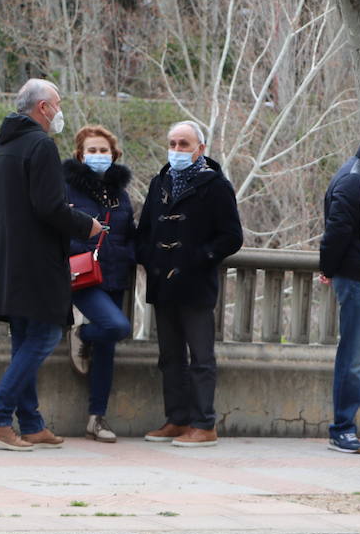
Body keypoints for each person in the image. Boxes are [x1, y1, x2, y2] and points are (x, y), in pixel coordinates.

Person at [0, 79, 100, 450]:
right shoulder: (41, 145)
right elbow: (48, 207)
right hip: (37, 262)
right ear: (43, 108)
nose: (60, 111)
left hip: (7, 259)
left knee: (24, 341)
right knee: (46, 335)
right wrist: (85, 224)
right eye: (57, 104)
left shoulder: (1, 148)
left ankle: (30, 423)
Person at [136, 121, 243, 447]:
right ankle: (177, 419)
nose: (177, 150)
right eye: (173, 143)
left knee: (200, 357)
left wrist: (199, 257)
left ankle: (203, 424)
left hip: (196, 285)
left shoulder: (216, 186)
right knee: (169, 357)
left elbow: (232, 237)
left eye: (184, 144)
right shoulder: (159, 183)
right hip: (162, 284)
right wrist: (150, 258)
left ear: (200, 149)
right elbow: (144, 231)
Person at [64, 125, 137, 444]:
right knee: (117, 326)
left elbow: (129, 232)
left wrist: (131, 253)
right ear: (80, 155)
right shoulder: (67, 188)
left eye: (103, 150)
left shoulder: (120, 194)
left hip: (115, 274)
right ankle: (81, 333)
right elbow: (60, 227)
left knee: (108, 348)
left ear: (114, 154)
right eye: (91, 151)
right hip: (82, 276)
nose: (98, 156)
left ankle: (97, 417)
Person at [319, 146, 360, 454]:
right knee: (354, 357)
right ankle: (342, 427)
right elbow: (336, 230)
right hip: (356, 277)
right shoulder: (353, 180)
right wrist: (329, 267)